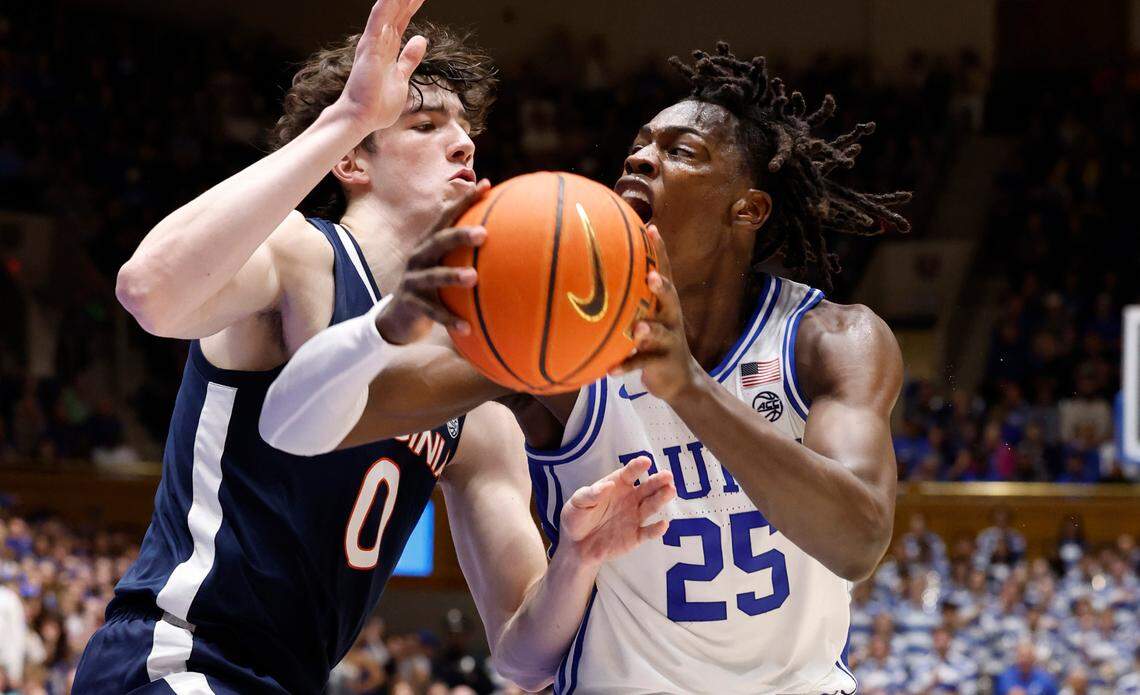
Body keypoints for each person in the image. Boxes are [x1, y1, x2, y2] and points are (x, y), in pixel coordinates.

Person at [263, 43, 909, 693]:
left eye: (679, 151)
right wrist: (384, 327)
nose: (639, 158)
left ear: (748, 207)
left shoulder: (828, 341)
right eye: (638, 146)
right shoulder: (559, 339)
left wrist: (688, 389)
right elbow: (306, 428)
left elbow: (857, 539)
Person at [73, 2, 674, 693]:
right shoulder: (300, 258)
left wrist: (577, 556)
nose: (465, 145)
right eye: (425, 125)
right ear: (352, 161)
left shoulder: (474, 407)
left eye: (467, 131)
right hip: (179, 654)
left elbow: (521, 659)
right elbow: (148, 290)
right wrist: (347, 116)